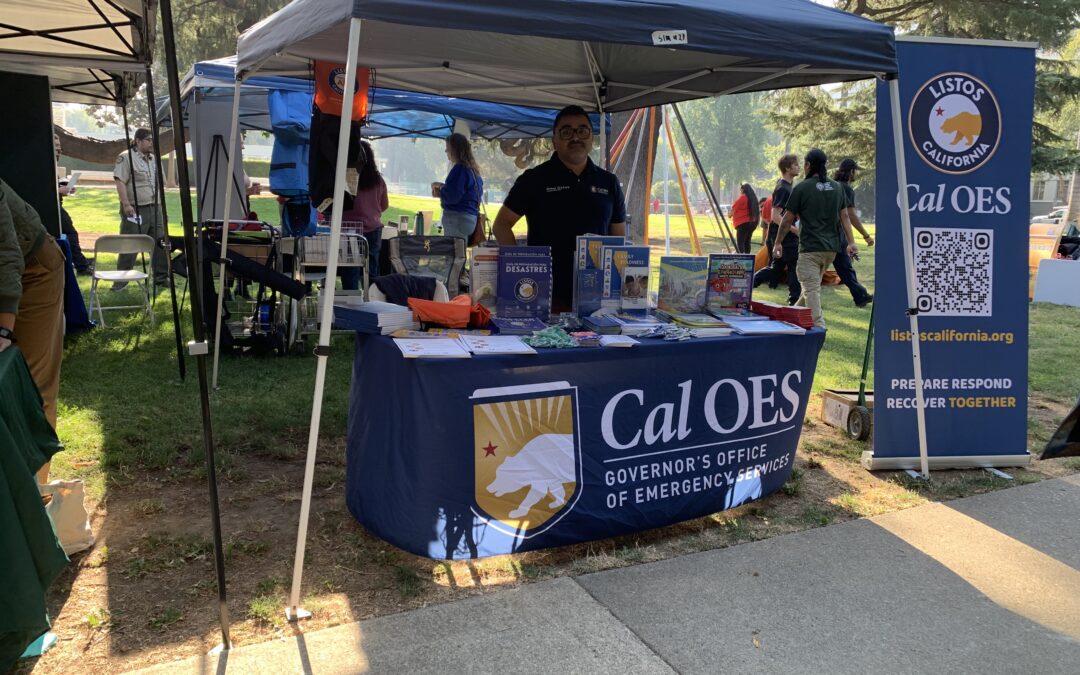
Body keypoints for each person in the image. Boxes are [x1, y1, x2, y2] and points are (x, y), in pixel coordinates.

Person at [492, 105, 626, 312]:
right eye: (566, 132)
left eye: (582, 131)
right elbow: (501, 225)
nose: (575, 137)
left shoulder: (609, 182)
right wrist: (520, 267)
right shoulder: (533, 179)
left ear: (591, 137)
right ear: (554, 140)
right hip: (545, 296)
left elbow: (618, 238)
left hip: (596, 298)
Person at [0, 178, 66, 483]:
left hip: (34, 270)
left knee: (32, 387)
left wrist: (3, 331)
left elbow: (5, 252)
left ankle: (34, 492)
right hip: (9, 270)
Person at [773, 148, 856, 329]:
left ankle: (819, 328)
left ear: (808, 165)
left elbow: (787, 219)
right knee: (810, 288)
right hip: (831, 250)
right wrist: (851, 242)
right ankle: (790, 318)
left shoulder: (802, 188)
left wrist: (778, 242)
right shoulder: (837, 187)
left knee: (811, 289)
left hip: (810, 249)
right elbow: (845, 216)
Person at [113, 127, 168, 290]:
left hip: (154, 207)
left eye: (153, 140)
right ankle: (121, 282)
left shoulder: (154, 159)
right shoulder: (126, 157)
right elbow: (120, 181)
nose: (152, 143)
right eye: (148, 140)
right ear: (138, 141)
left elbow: (161, 182)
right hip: (135, 209)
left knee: (160, 243)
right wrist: (126, 204)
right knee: (130, 244)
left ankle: (161, 278)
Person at [753, 154, 801, 305]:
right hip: (783, 234)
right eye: (795, 164)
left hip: (784, 234)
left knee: (777, 267)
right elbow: (775, 216)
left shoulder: (788, 186)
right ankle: (794, 300)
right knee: (792, 265)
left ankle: (749, 284)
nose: (799, 167)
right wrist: (794, 230)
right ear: (787, 168)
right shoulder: (782, 188)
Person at [340, 140, 388, 290]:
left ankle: (351, 299)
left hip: (349, 230)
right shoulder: (378, 180)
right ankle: (373, 297)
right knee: (372, 269)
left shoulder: (348, 178)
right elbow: (384, 205)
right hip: (373, 230)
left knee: (350, 269)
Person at [832, 158, 875, 307]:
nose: (856, 174)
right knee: (844, 267)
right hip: (837, 234)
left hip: (826, 232)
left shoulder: (833, 185)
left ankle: (860, 296)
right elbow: (850, 215)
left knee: (844, 267)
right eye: (855, 171)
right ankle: (861, 295)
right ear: (851, 171)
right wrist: (866, 236)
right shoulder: (846, 188)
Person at [432, 133, 484, 241]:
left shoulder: (459, 169)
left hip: (457, 218)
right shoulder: (473, 170)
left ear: (455, 150)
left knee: (454, 251)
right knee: (460, 250)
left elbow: (452, 196)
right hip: (470, 218)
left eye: (447, 149)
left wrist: (440, 189)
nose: (446, 152)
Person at [54, 134, 90, 274]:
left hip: (57, 205)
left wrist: (65, 187)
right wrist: (59, 190)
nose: (59, 150)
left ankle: (78, 261)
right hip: (53, 208)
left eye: (60, 147)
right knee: (70, 233)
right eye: (56, 146)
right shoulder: (42, 164)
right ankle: (81, 265)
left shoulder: (52, 164)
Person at [731, 182, 760, 254]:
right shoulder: (753, 198)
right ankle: (748, 257)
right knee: (747, 242)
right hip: (752, 223)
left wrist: (729, 215)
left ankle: (741, 257)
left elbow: (734, 208)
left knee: (740, 242)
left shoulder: (743, 197)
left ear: (743, 190)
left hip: (743, 223)